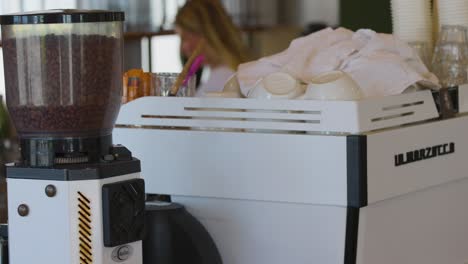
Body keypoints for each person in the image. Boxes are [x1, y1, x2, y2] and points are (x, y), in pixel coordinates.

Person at [175, 0, 249, 96]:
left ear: (207, 34)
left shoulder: (222, 80)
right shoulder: (231, 74)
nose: (183, 48)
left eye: (185, 38)